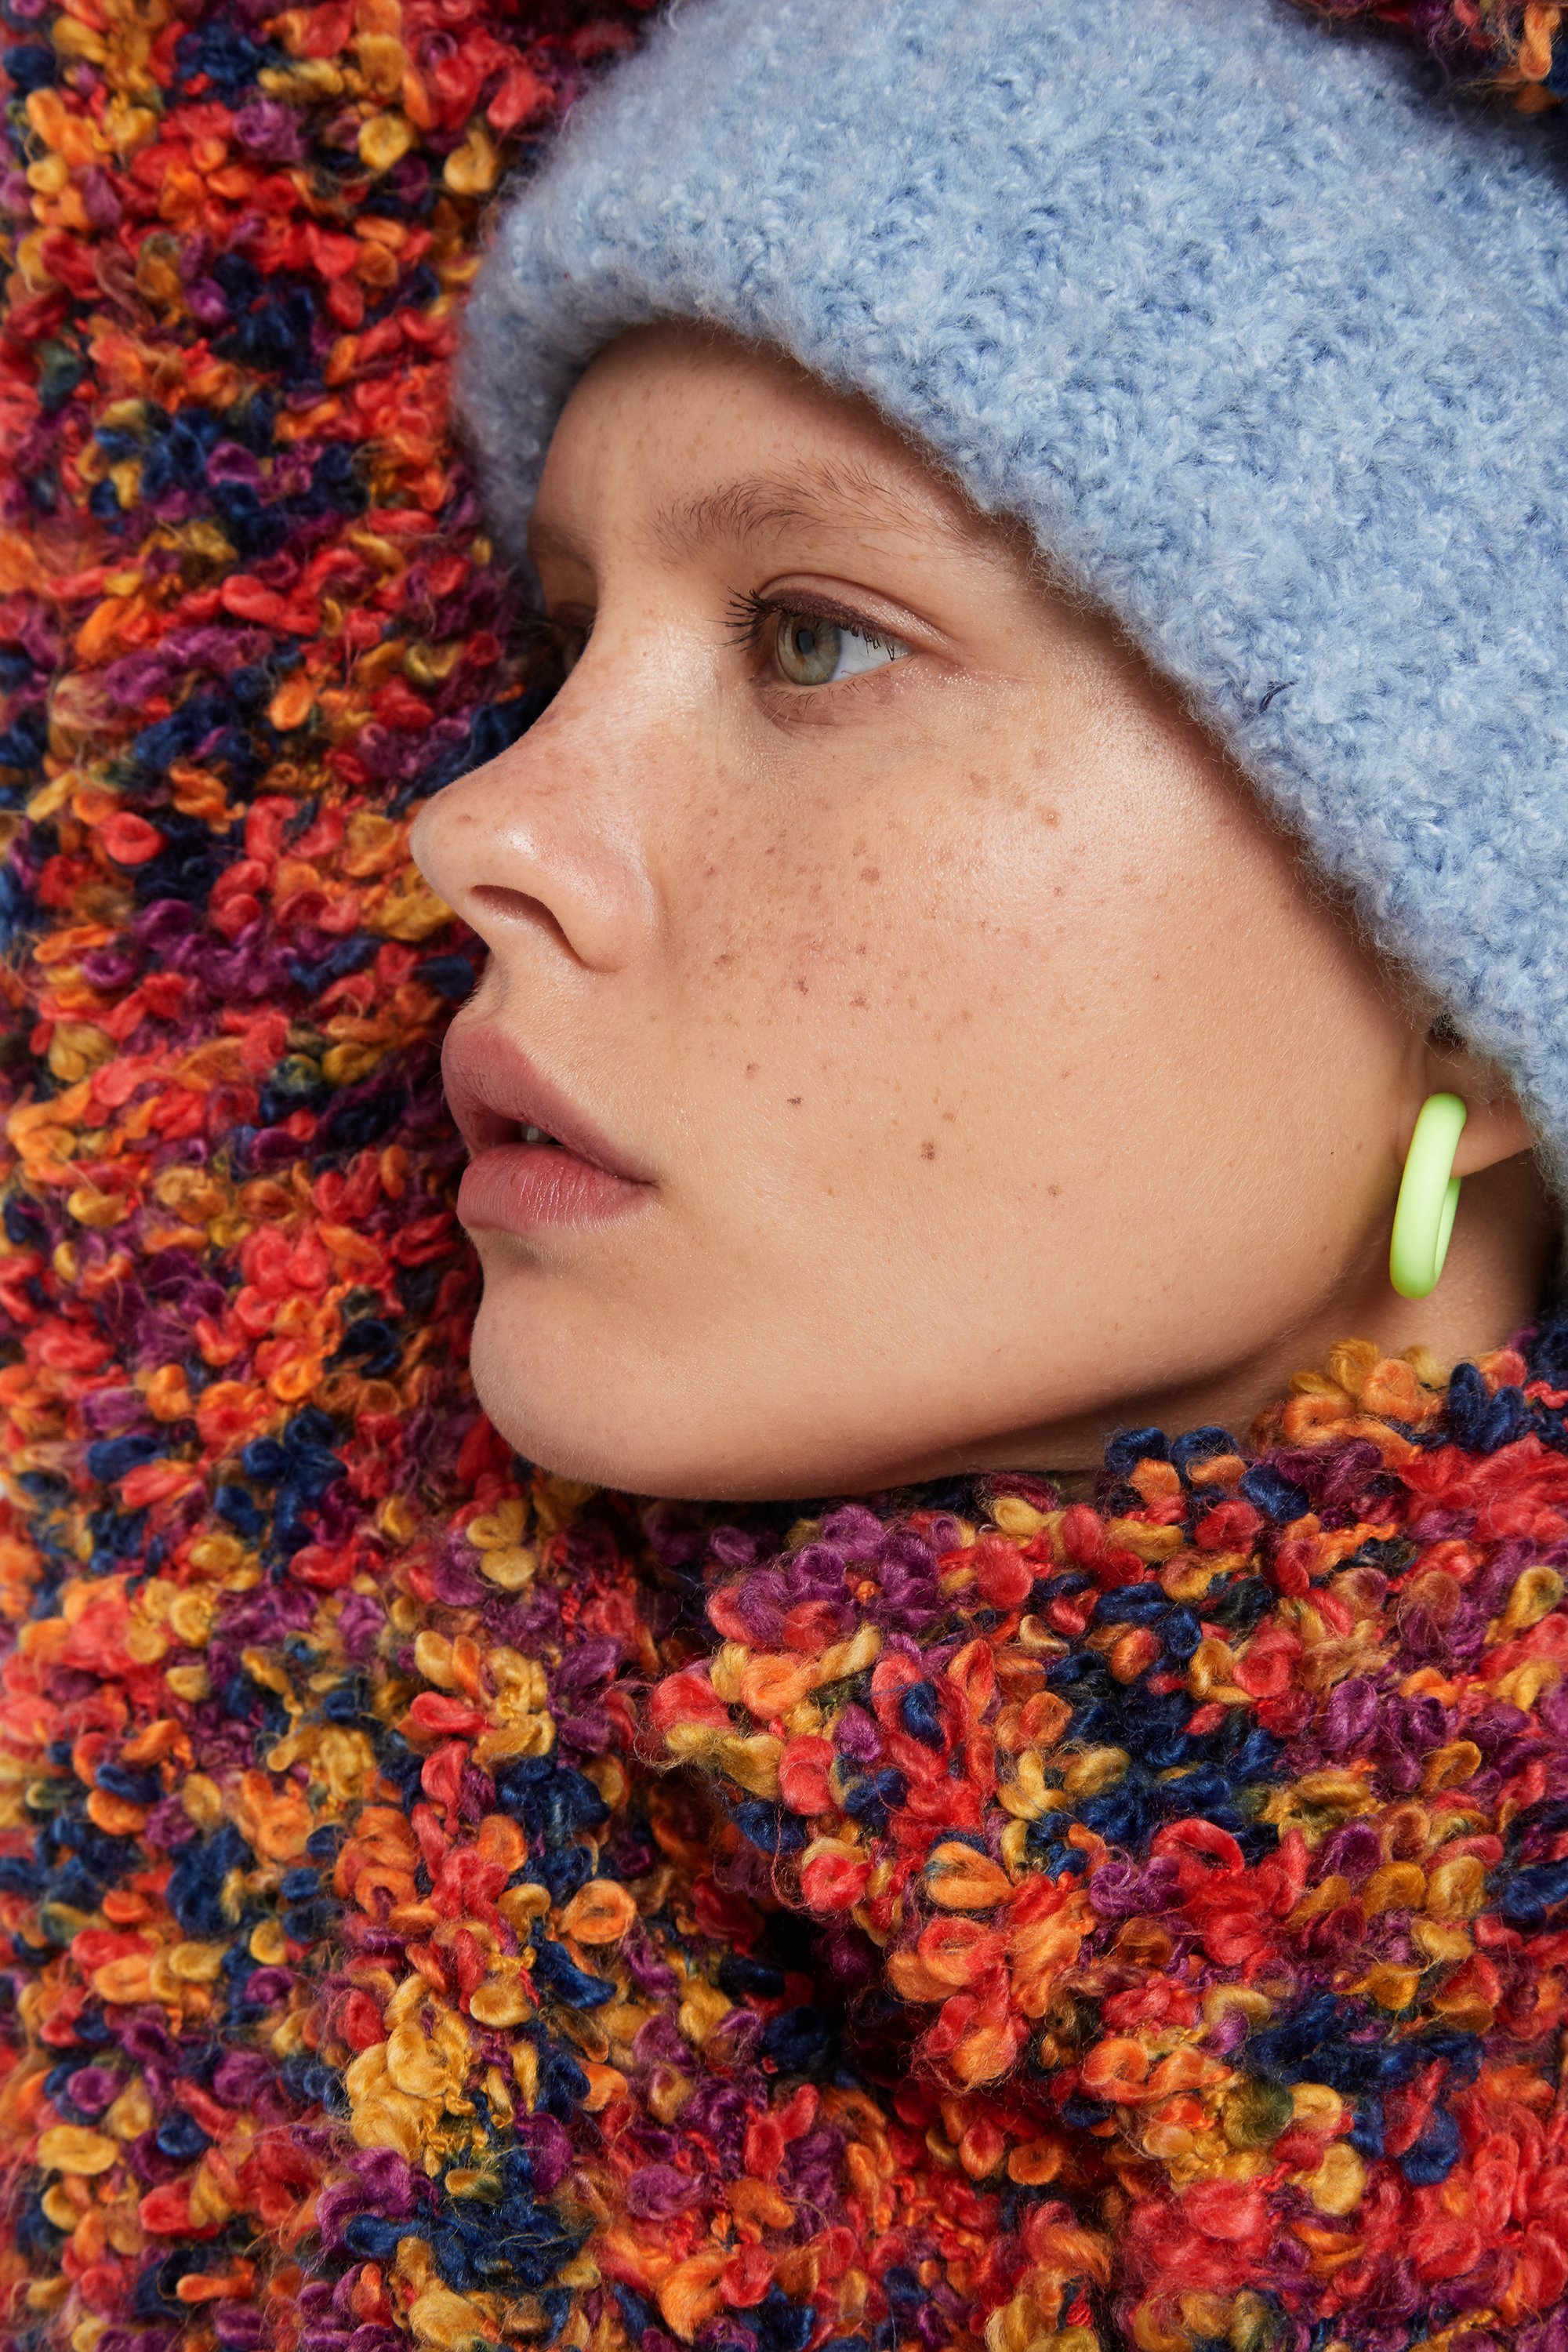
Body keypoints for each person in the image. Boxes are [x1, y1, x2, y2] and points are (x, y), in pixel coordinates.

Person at [404, 2, 1568, 2347]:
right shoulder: (251, 1899)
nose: (476, 829)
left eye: (814, 638)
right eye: (563, 643)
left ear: (1470, 943)